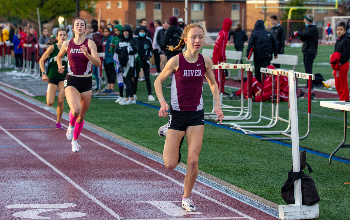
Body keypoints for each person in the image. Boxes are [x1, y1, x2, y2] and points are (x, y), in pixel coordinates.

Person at [154, 23, 224, 212]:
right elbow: (158, 81)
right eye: (194, 37)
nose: (197, 41)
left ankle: (186, 198)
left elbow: (213, 83)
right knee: (170, 164)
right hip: (177, 116)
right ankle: (168, 129)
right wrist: (162, 102)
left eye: (201, 37)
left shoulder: (205, 61)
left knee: (193, 161)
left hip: (196, 115)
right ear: (186, 39)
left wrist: (217, 105)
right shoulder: (176, 61)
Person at [57, 18, 101, 152]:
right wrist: (60, 66)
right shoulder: (67, 43)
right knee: (75, 110)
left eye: (82, 24)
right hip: (71, 80)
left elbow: (98, 63)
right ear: (73, 28)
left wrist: (87, 54)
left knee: (81, 115)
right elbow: (59, 57)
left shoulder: (90, 43)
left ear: (86, 28)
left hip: (86, 81)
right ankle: (70, 126)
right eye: (77, 25)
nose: (80, 27)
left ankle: (75, 141)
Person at [39, 28, 68, 130]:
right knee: (50, 103)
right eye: (61, 35)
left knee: (60, 100)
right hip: (52, 76)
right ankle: (49, 92)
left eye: (64, 35)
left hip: (64, 78)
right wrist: (43, 73)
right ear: (57, 37)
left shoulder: (69, 48)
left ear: (67, 37)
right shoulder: (52, 48)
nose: (63, 37)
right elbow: (41, 60)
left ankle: (58, 122)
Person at [291, 14, 318, 98]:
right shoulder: (309, 28)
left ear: (309, 20)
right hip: (306, 50)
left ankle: (310, 87)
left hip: (310, 51)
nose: (304, 22)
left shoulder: (313, 28)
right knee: (307, 69)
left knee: (308, 69)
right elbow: (305, 38)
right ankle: (308, 86)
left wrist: (298, 33)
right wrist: (299, 35)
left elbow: (306, 35)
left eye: (305, 20)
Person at [114, 24, 138, 105]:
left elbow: (135, 51)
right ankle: (131, 98)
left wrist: (128, 50)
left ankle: (127, 98)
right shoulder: (121, 40)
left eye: (126, 32)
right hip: (123, 62)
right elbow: (117, 50)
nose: (125, 33)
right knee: (126, 80)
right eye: (124, 32)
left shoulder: (133, 40)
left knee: (127, 80)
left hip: (130, 63)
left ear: (129, 32)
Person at [134, 25, 155, 101]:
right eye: (141, 31)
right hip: (136, 61)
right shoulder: (135, 39)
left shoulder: (148, 40)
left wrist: (147, 57)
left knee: (147, 78)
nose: (142, 33)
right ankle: (134, 94)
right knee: (135, 78)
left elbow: (150, 50)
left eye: (143, 31)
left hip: (145, 61)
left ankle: (150, 95)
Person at [213, 18, 232, 96]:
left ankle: (221, 90)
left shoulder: (222, 32)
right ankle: (219, 91)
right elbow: (222, 48)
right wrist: (223, 59)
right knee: (219, 75)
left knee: (221, 74)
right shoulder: (225, 34)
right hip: (218, 57)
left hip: (217, 55)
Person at [331, 22, 350, 102]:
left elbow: (346, 54)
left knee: (342, 85)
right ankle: (343, 100)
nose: (339, 31)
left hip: (342, 65)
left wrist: (336, 57)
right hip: (338, 65)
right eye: (338, 30)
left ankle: (343, 102)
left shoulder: (345, 40)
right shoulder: (339, 40)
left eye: (341, 30)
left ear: (345, 31)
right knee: (339, 85)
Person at [110, 24, 124, 102]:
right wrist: (112, 48)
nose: (116, 32)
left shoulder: (124, 38)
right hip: (117, 62)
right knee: (119, 78)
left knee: (126, 78)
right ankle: (121, 95)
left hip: (125, 61)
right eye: (115, 31)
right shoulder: (114, 39)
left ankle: (130, 95)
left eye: (118, 30)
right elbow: (112, 52)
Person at [101, 27, 116, 94]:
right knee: (107, 74)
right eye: (104, 31)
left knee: (112, 73)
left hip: (110, 58)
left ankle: (112, 88)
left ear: (109, 32)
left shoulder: (111, 38)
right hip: (105, 58)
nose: (105, 33)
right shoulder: (104, 39)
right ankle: (108, 88)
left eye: (107, 31)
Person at [92, 23, 103, 92]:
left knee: (97, 71)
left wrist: (93, 48)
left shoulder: (96, 36)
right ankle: (97, 85)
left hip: (97, 55)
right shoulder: (97, 35)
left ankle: (98, 86)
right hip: (96, 54)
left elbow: (99, 44)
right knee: (95, 71)